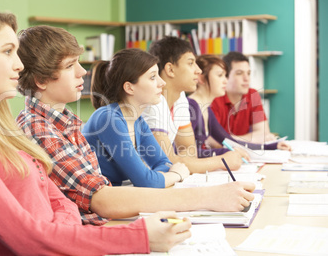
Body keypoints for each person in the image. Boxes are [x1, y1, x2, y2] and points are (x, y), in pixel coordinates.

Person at [0, 9, 193, 255]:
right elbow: (25, 236)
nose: (19, 66)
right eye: (8, 52)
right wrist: (139, 237)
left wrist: (61, 226)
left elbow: (62, 204)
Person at [16, 25, 256, 226]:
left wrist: (172, 174)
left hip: (110, 217)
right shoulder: (40, 127)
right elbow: (105, 198)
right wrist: (203, 195)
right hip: (98, 223)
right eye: (70, 66)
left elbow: (162, 163)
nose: (83, 71)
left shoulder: (68, 122)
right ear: (41, 80)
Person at [82, 48, 190, 188]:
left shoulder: (138, 121)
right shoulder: (108, 118)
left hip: (118, 195)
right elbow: (146, 181)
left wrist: (155, 179)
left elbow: (164, 163)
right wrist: (176, 175)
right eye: (152, 77)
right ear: (129, 88)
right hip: (98, 201)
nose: (161, 82)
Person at [141, 36, 246, 173]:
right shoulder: (153, 102)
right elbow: (168, 162)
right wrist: (221, 161)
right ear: (170, 70)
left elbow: (189, 151)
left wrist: (184, 163)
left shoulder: (180, 99)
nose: (198, 70)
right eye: (191, 63)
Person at [187, 54, 291, 157]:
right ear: (201, 78)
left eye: (225, 75)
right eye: (220, 75)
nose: (225, 81)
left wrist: (272, 146)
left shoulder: (206, 109)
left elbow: (228, 141)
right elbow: (186, 153)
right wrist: (228, 153)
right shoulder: (192, 106)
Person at [211, 51, 276, 143]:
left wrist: (230, 139)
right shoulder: (214, 98)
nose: (246, 78)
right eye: (239, 73)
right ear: (225, 76)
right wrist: (251, 139)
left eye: (248, 73)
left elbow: (264, 134)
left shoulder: (253, 95)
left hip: (245, 153)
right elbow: (212, 141)